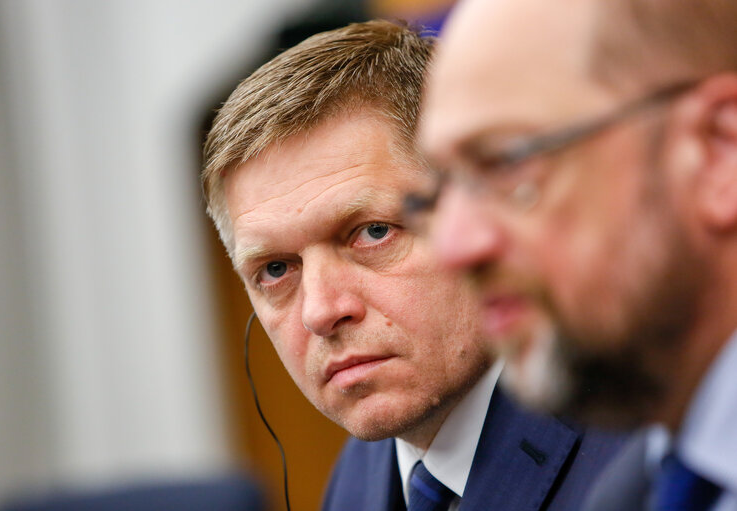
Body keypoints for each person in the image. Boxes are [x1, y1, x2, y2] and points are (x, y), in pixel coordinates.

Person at [202, 20, 621, 511]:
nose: (321, 311)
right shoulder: (358, 479)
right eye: (275, 269)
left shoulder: (630, 437)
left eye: (372, 232)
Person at [417, 0, 737, 509]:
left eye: (506, 163)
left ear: (718, 150)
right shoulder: (633, 493)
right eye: (436, 194)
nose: (452, 245)